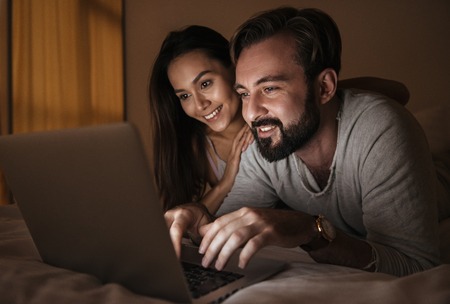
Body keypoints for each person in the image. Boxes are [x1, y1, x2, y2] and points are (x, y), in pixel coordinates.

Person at [164, 7, 450, 277]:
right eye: (245, 93)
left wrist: (312, 231)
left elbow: (416, 266)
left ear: (325, 87)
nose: (250, 113)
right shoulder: (264, 144)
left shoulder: (380, 130)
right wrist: (199, 218)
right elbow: (228, 228)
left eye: (270, 88)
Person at [149, 25, 410, 216]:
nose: (199, 104)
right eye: (184, 95)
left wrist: (311, 94)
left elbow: (400, 92)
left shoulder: (293, 115)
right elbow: (185, 219)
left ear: (234, 68)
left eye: (205, 83)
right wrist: (227, 182)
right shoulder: (198, 147)